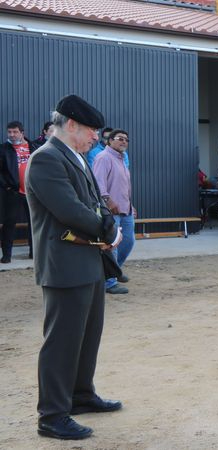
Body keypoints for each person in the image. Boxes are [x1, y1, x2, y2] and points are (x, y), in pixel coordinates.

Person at [26, 94, 123, 440]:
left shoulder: (76, 157)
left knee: (88, 334)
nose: (97, 136)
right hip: (64, 264)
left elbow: (97, 202)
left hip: (87, 260)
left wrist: (108, 223)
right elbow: (69, 210)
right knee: (63, 341)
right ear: (71, 125)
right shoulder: (46, 159)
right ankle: (52, 415)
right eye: (92, 131)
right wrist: (107, 228)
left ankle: (81, 395)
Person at [92, 129, 136, 294]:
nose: (124, 141)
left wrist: (131, 205)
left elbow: (123, 186)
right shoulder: (103, 158)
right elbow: (98, 183)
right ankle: (109, 282)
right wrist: (108, 201)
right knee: (112, 245)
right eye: (120, 139)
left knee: (128, 242)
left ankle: (114, 271)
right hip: (110, 210)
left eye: (126, 139)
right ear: (109, 141)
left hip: (126, 209)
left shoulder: (122, 159)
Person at [1, 121, 38, 262]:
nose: (12, 134)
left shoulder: (33, 147)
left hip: (32, 193)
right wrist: (7, 186)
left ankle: (33, 253)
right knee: (9, 224)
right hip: (13, 192)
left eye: (15, 132)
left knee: (34, 223)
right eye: (9, 132)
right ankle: (6, 255)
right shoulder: (3, 149)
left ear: (22, 133)